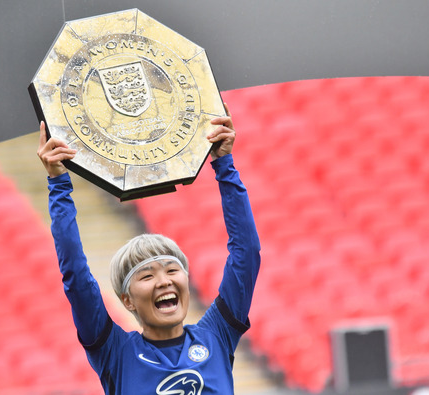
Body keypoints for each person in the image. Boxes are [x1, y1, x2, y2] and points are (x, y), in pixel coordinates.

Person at [37, 103, 261, 394]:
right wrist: (58, 183)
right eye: (146, 276)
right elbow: (77, 279)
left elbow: (246, 254)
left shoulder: (216, 335)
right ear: (127, 300)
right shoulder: (115, 353)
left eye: (172, 270)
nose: (164, 281)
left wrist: (224, 163)